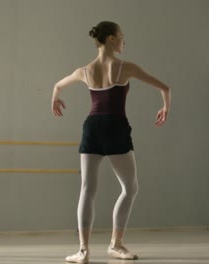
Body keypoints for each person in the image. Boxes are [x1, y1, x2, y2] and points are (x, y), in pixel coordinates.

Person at [51, 21, 171, 263]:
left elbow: (57, 86)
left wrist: (55, 99)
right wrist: (165, 108)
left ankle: (83, 251)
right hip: (115, 127)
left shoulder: (84, 71)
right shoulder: (125, 67)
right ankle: (116, 245)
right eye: (121, 36)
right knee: (130, 188)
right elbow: (164, 87)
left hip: (92, 128)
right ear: (112, 39)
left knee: (87, 189)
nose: (124, 41)